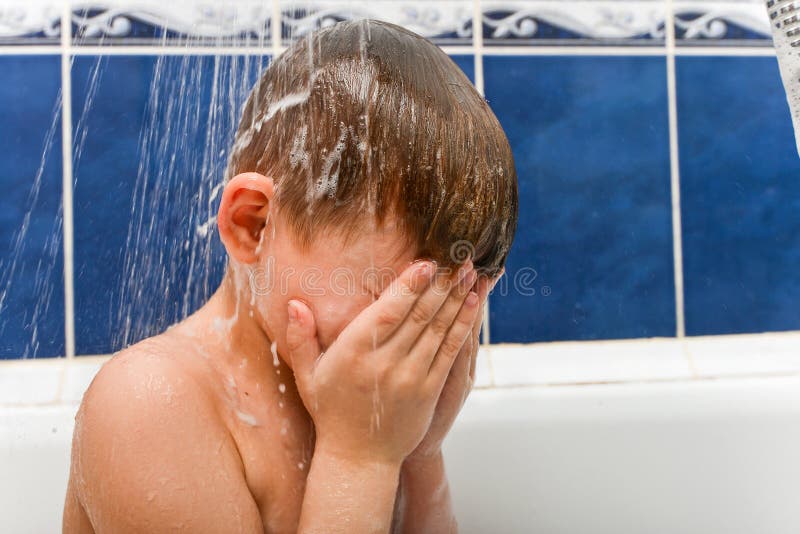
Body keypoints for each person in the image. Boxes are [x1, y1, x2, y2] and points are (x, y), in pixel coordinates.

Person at [63, 18, 517, 533]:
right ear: (255, 224)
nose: (419, 343)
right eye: (395, 303)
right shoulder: (150, 405)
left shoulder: (369, 400)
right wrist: (358, 458)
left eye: (447, 310)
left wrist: (419, 452)